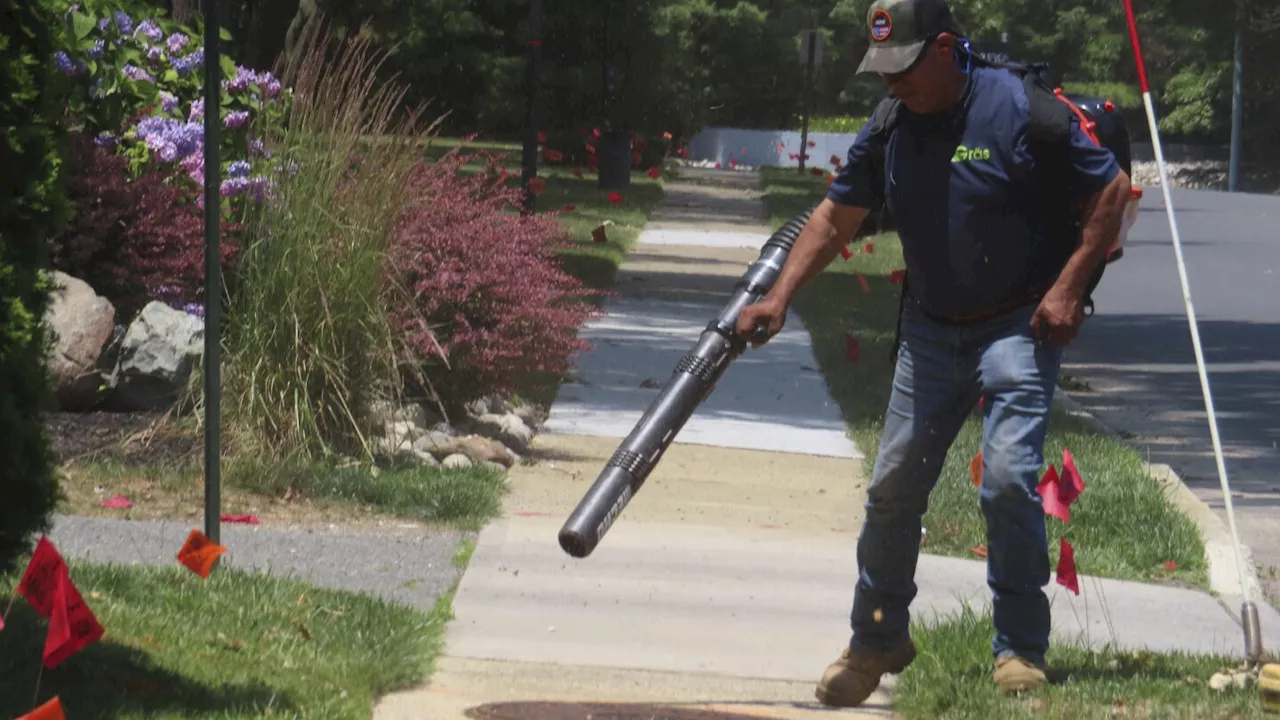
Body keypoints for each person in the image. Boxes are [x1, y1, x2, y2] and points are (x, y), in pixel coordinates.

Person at [735, 0, 1132, 707]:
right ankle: (878, 635)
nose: (893, 84)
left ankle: (1019, 647)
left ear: (946, 49)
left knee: (1009, 480)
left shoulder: (1019, 110)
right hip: (929, 329)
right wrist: (780, 296)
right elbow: (834, 217)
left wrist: (1069, 288)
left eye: (906, 67)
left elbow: (1111, 189)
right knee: (893, 488)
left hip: (1017, 325)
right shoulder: (891, 124)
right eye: (883, 69)